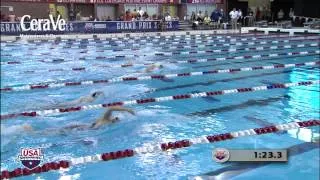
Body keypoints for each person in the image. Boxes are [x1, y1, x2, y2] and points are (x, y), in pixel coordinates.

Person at [17, 106, 135, 134]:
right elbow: (111, 108)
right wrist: (127, 110)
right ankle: (31, 131)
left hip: (81, 126)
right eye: (117, 118)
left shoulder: (109, 123)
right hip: (80, 126)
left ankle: (31, 131)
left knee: (57, 131)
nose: (117, 120)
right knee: (57, 132)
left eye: (118, 119)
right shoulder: (106, 118)